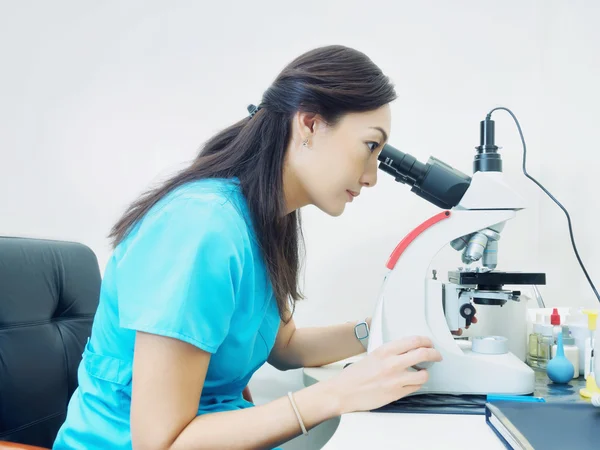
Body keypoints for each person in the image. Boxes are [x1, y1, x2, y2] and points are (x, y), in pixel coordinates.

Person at [53, 45, 444, 450]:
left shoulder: (264, 219)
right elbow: (161, 443)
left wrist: (384, 329)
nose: (371, 177)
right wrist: (336, 394)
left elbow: (286, 346)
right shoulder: (200, 227)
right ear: (309, 124)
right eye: (370, 146)